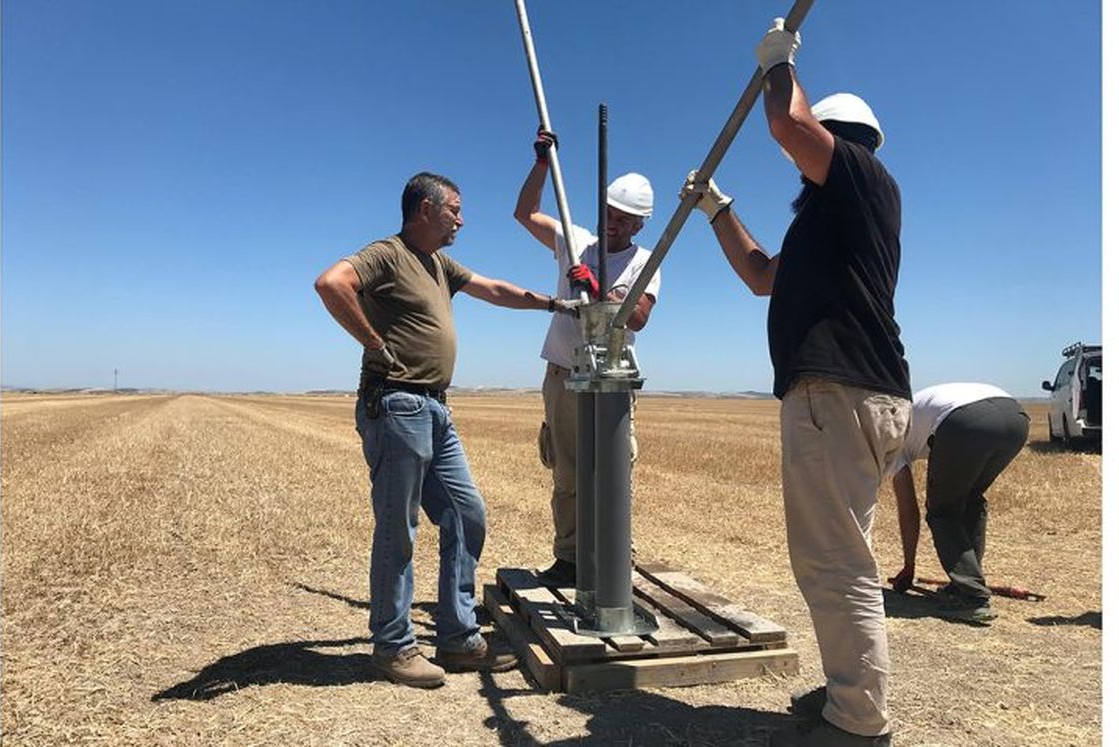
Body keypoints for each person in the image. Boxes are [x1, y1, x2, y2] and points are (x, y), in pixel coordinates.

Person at [681, 18, 910, 747]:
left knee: (834, 564)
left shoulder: (862, 179)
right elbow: (759, 277)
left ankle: (859, 720)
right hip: (852, 396)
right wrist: (719, 211)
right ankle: (850, 693)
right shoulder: (829, 223)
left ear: (843, 140)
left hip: (838, 393)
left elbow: (788, 122)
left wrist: (780, 63)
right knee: (846, 558)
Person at [313, 171, 570, 688]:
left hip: (435, 409)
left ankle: (457, 638)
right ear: (425, 210)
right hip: (398, 405)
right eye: (454, 208)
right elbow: (331, 283)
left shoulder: (439, 263)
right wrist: (375, 345)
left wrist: (555, 303)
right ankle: (393, 647)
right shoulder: (387, 253)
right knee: (398, 529)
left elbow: (493, 288)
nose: (461, 217)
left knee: (466, 513)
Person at [512, 129, 661, 587]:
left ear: (639, 226)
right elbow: (525, 213)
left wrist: (598, 290)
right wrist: (541, 165)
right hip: (563, 373)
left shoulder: (646, 261)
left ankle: (614, 557)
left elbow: (637, 316)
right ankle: (570, 557)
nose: (611, 223)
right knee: (569, 469)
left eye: (622, 220)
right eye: (608, 214)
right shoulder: (574, 240)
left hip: (610, 380)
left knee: (613, 470)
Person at [885, 383, 1030, 624]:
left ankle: (972, 597)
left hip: (964, 421)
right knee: (970, 500)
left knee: (943, 511)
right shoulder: (907, 413)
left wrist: (909, 565)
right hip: (1015, 417)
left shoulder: (889, 441)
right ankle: (965, 582)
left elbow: (909, 511)